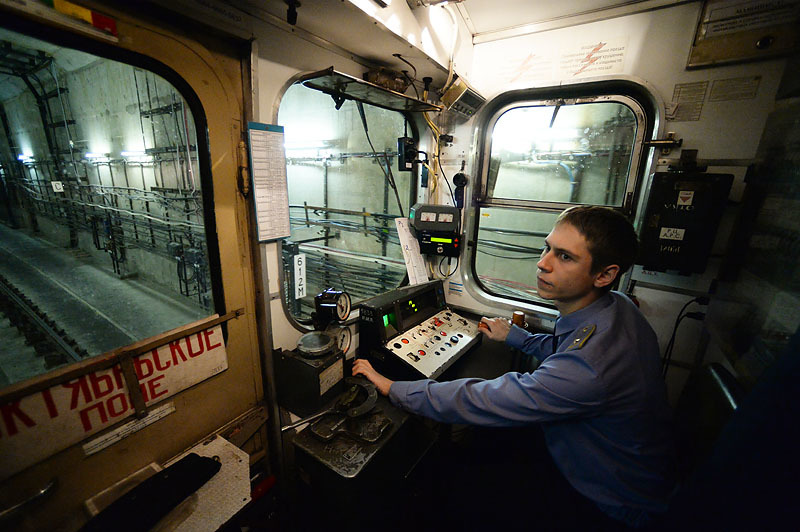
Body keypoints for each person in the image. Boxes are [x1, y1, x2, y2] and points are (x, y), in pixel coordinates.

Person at [353, 206, 676, 529]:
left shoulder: (590, 368)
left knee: (463, 492)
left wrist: (394, 388)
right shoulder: (618, 308)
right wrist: (518, 337)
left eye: (565, 257)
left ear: (604, 275)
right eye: (547, 248)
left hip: (602, 500)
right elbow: (566, 350)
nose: (543, 263)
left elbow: (483, 399)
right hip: (597, 458)